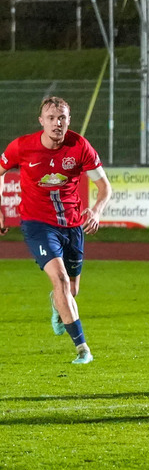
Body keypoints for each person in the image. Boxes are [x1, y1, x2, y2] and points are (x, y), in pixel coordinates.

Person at [0, 97, 112, 364]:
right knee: (60, 279)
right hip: (37, 224)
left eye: (62, 118)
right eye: (51, 118)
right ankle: (82, 348)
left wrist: (96, 211)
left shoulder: (79, 146)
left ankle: (57, 302)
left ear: (69, 120)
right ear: (41, 121)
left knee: (71, 289)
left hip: (72, 224)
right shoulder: (22, 146)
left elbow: (105, 187)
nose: (57, 123)